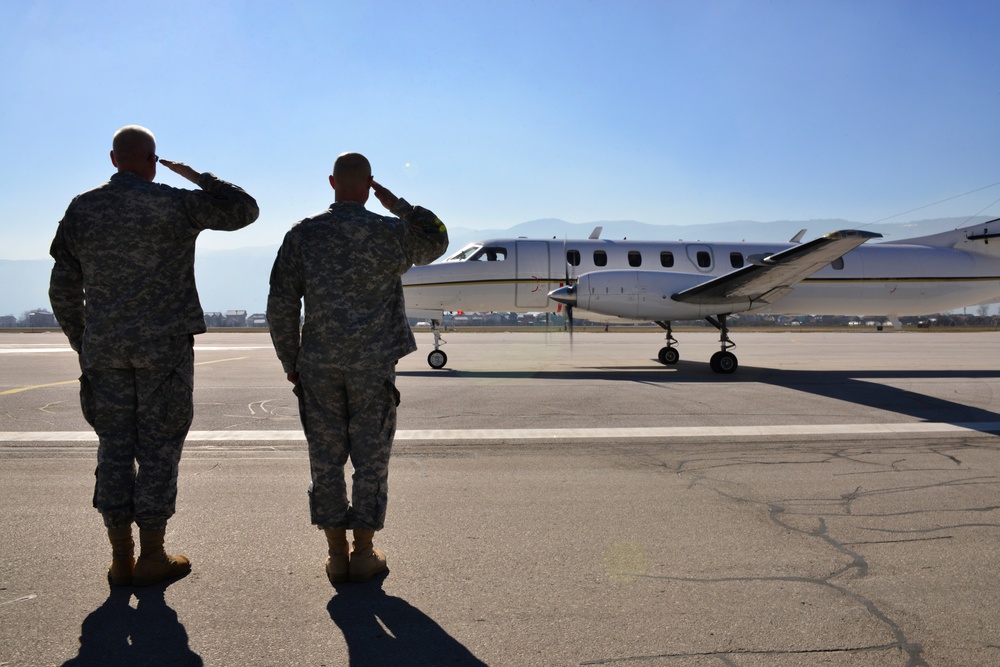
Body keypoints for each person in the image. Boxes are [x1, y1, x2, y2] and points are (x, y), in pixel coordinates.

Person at [49, 125, 260, 587]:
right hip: (163, 349)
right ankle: (152, 556)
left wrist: (83, 341)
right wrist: (198, 175)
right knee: (159, 448)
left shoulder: (82, 208)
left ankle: (119, 558)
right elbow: (245, 210)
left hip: (104, 348)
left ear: (112, 159)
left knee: (115, 447)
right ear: (152, 160)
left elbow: (63, 286)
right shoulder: (174, 201)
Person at [267, 152, 448, 583]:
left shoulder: (303, 234)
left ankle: (336, 555)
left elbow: (281, 303)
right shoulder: (390, 232)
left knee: (325, 461)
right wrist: (397, 204)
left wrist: (290, 360)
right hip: (373, 365)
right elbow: (437, 240)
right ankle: (364, 553)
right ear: (369, 185)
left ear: (332, 182)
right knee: (371, 460)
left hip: (319, 365)